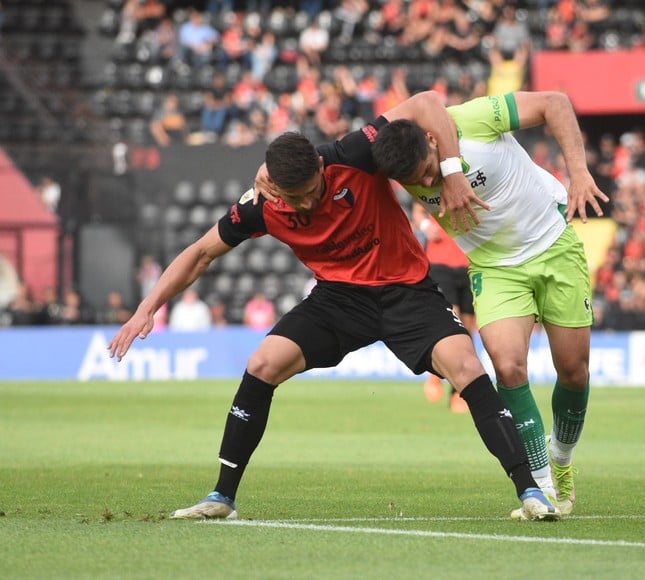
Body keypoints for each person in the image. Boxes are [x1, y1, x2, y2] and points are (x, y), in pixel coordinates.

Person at [108, 91, 558, 522]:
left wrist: (454, 170)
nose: (306, 203)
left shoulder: (351, 154)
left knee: (468, 369)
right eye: (295, 197)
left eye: (312, 190)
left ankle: (530, 491)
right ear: (272, 185)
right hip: (338, 299)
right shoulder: (261, 206)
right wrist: (147, 307)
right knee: (262, 363)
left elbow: (425, 103)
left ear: (322, 167)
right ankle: (222, 494)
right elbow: (200, 253)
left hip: (407, 291)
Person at [369, 91, 609, 518]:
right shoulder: (398, 162)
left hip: (553, 244)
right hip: (494, 267)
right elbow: (328, 161)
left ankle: (562, 457)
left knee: (573, 371)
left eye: (428, 171)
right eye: (416, 183)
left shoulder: (476, 120)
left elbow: (555, 102)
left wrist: (579, 173)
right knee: (508, 366)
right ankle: (542, 485)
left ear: (431, 138)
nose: (427, 185)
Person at [412, 202, 475, 414]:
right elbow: (418, 209)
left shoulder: (473, 184)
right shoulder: (437, 184)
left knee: (468, 330)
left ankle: (457, 391)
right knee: (453, 318)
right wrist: (423, 226)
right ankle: (437, 372)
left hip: (470, 263)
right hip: (440, 261)